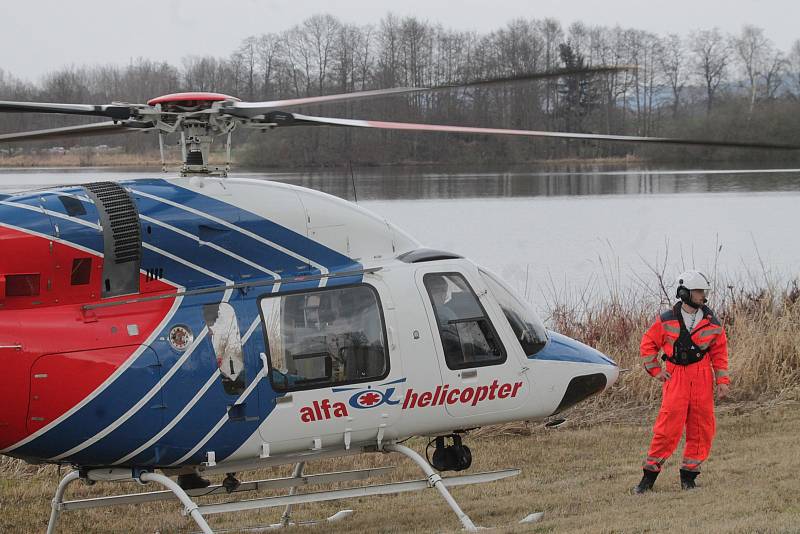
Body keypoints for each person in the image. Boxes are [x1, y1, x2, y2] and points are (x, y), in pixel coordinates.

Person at [633, 270, 730, 494]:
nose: (703, 296)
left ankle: (689, 478)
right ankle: (647, 480)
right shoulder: (666, 319)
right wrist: (655, 371)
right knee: (667, 428)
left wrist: (722, 381)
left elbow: (720, 353)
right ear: (684, 292)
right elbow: (648, 344)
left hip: (702, 378)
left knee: (701, 428)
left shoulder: (712, 322)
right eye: (698, 291)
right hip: (676, 377)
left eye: (703, 291)